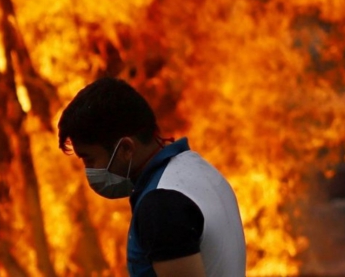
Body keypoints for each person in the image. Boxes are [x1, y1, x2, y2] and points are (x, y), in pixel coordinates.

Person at [57, 77, 246, 277]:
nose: (88, 171)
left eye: (89, 159)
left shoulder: (161, 206)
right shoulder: (198, 169)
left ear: (126, 149)